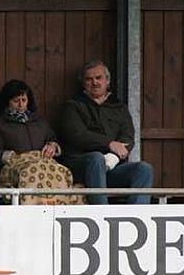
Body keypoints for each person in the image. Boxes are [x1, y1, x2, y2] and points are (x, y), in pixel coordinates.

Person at [56, 60, 153, 205]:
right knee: (96, 158)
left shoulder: (118, 107)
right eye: (89, 79)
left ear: (107, 81)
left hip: (111, 166)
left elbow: (127, 137)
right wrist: (109, 144)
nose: (94, 82)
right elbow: (76, 134)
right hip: (81, 166)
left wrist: (114, 157)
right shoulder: (73, 106)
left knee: (144, 169)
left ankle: (136, 214)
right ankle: (101, 213)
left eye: (98, 78)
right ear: (83, 83)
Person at [0, 79, 81, 206]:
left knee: (61, 171)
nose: (21, 104)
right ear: (7, 102)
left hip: (45, 165)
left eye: (24, 100)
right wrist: (10, 156)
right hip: (15, 168)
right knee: (31, 171)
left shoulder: (39, 122)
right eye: (16, 101)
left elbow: (53, 139)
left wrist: (53, 146)